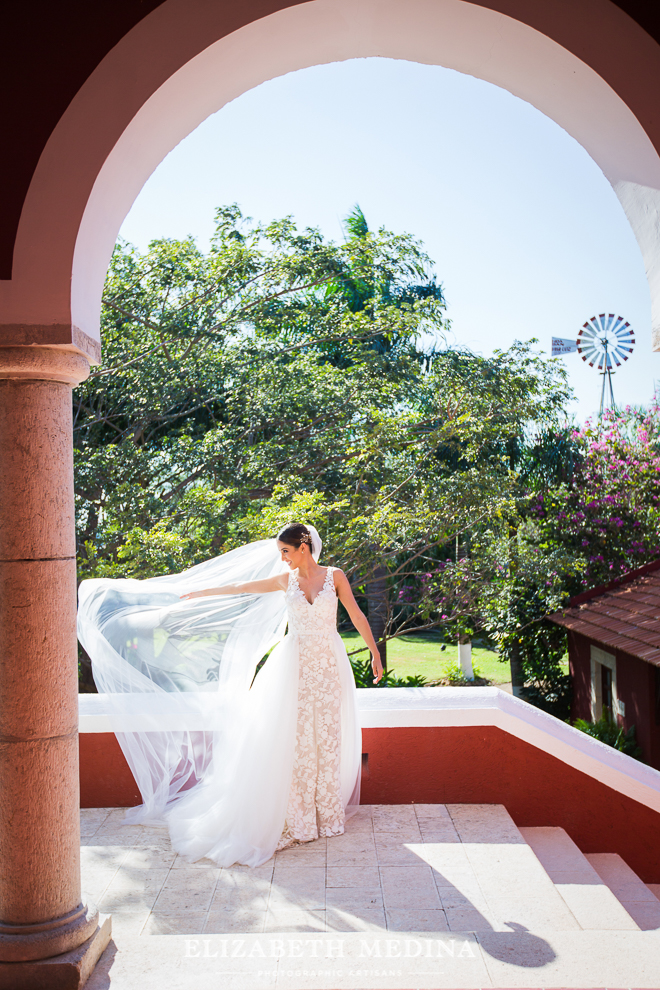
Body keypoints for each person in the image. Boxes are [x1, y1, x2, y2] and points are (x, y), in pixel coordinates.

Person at [77, 522, 383, 867]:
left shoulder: (335, 576)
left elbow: (356, 615)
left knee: (326, 737)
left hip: (328, 664)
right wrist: (201, 593)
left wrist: (374, 652)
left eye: (285, 551)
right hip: (294, 666)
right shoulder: (286, 581)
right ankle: (296, 815)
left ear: (303, 546)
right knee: (295, 739)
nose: (281, 559)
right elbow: (242, 588)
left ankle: (325, 814)